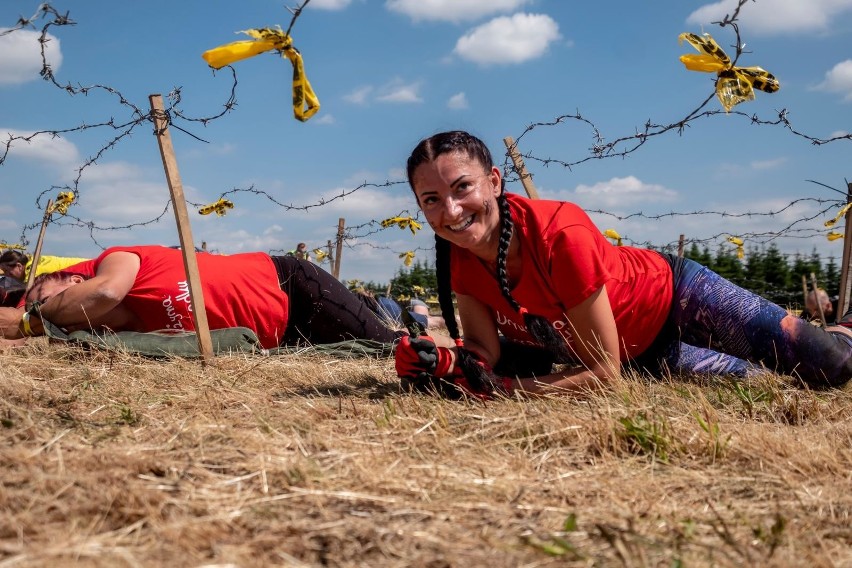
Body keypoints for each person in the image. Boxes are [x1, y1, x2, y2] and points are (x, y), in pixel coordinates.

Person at [394, 130, 852, 398]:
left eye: (462, 188)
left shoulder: (559, 234)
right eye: (431, 199)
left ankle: (846, 326)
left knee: (827, 364)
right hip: (641, 355)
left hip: (672, 297)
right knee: (763, 382)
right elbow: (482, 349)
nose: (450, 212)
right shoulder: (459, 254)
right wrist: (442, 361)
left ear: (494, 181)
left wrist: (507, 391)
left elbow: (602, 374)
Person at [0, 245, 404, 348]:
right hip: (282, 336)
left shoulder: (113, 260)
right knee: (368, 345)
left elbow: (105, 292)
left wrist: (29, 322)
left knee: (389, 350)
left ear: (68, 278)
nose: (40, 304)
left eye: (40, 295)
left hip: (288, 284)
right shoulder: (95, 327)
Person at [0, 250, 90, 285]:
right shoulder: (33, 262)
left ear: (19, 266)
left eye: (7, 271)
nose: (7, 275)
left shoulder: (34, 273)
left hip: (87, 270)